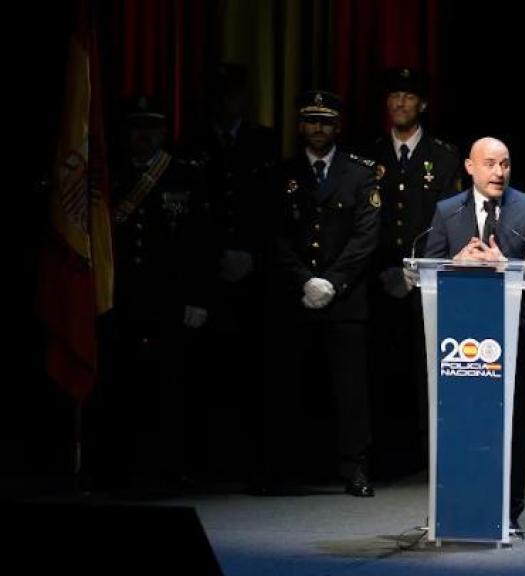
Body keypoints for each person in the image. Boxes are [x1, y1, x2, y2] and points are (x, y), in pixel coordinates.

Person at [423, 136, 525, 532]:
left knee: (512, 424)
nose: (499, 172)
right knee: (459, 421)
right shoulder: (447, 211)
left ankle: (508, 515)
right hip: (459, 340)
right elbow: (427, 263)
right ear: (469, 167)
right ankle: (456, 507)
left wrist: (507, 265)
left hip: (514, 335)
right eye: (491, 164)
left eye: (505, 164)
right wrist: (454, 262)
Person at [260, 90, 381, 497]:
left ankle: (355, 468)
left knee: (350, 390)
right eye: (311, 120)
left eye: (326, 121)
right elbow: (274, 235)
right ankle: (280, 468)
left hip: (344, 297)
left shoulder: (361, 173)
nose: (318, 128)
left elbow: (367, 236)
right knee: (286, 386)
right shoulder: (280, 174)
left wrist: (333, 281)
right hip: (294, 297)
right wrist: (303, 281)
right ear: (300, 126)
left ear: (338, 127)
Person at [99, 95, 213, 496]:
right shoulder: (107, 177)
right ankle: (116, 466)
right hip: (119, 297)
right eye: (135, 127)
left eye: (151, 128)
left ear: (163, 132)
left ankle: (173, 466)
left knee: (172, 388)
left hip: (170, 298)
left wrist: (198, 298)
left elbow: (200, 242)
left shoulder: (185, 176)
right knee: (119, 385)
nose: (143, 136)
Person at [180, 62, 280, 482]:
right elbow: (187, 217)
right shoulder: (192, 142)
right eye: (219, 95)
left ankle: (252, 464)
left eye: (234, 95)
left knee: (253, 372)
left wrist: (251, 255)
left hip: (254, 273)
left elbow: (273, 208)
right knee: (206, 374)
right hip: (209, 274)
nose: (227, 103)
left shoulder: (264, 142)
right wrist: (211, 265)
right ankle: (203, 462)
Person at [365, 67, 461, 476]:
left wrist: (418, 268)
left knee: (428, 372)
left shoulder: (444, 156)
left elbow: (450, 219)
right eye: (394, 96)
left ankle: (431, 455)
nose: (400, 103)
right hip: (378, 278)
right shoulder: (368, 155)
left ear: (422, 104)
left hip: (428, 278)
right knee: (376, 369)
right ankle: (380, 454)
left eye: (408, 96)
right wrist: (386, 269)